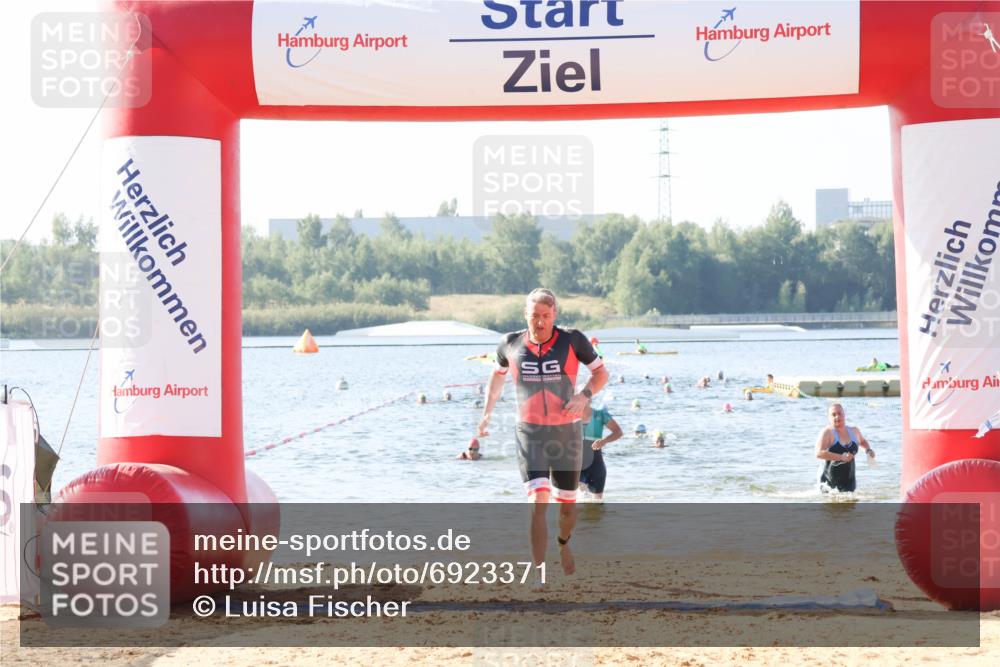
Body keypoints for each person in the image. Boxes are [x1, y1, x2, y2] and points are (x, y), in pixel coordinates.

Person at [478, 288, 608, 579]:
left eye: (546, 316)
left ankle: (563, 545)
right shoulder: (509, 344)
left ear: (555, 315)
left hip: (566, 435)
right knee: (538, 499)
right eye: (535, 316)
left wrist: (584, 395)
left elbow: (602, 374)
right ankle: (538, 573)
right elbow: (496, 379)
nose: (540, 322)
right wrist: (486, 415)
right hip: (530, 433)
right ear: (525, 315)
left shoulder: (572, 340)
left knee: (567, 512)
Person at [815, 403, 875, 493]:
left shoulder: (854, 431)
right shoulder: (827, 432)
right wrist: (841, 457)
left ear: (844, 414)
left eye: (840, 413)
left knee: (850, 505)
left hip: (849, 482)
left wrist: (868, 450)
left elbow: (862, 441)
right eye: (833, 415)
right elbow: (818, 453)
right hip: (828, 483)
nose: (837, 417)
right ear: (829, 417)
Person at [578, 403, 623, 502]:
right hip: (576, 465)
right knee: (577, 501)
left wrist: (604, 441)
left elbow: (618, 431)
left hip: (596, 464)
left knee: (596, 504)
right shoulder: (568, 415)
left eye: (586, 395)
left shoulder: (600, 414)